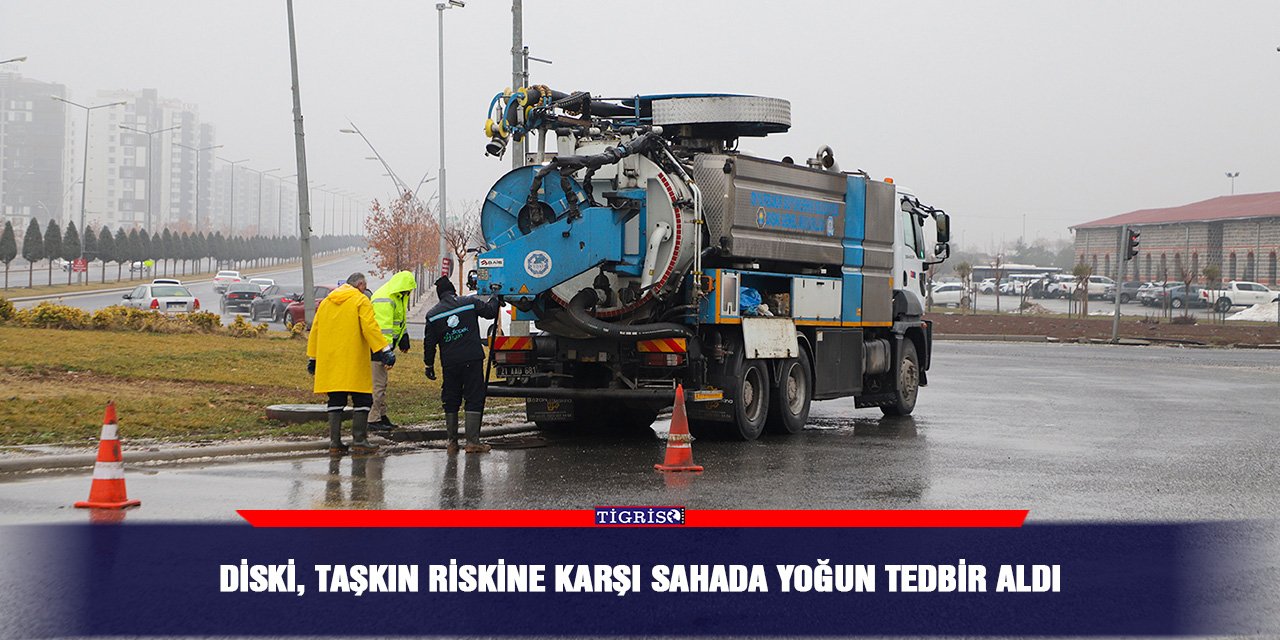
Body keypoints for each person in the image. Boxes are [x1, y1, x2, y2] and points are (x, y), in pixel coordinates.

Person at [307, 272, 396, 455]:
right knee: (363, 400)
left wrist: (313, 358)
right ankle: (359, 440)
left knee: (335, 400)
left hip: (331, 361)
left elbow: (315, 330)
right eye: (365, 286)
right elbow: (370, 327)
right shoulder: (360, 300)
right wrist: (384, 350)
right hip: (353, 359)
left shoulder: (326, 302)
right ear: (360, 285)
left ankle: (335, 443)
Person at [422, 276, 501, 453]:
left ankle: (452, 443)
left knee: (451, 399)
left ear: (439, 295)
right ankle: (472, 442)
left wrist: (429, 365)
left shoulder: (433, 315)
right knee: (473, 397)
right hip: (472, 359)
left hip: (450, 364)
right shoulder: (469, 303)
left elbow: (429, 344)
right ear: (453, 291)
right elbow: (490, 312)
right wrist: (495, 296)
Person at [367, 271, 417, 430]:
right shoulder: (386, 299)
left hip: (381, 347)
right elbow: (383, 329)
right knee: (378, 384)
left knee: (381, 383)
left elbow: (399, 320)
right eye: (408, 290)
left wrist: (404, 336)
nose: (409, 293)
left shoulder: (397, 296)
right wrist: (385, 352)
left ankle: (381, 416)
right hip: (377, 348)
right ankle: (373, 419)